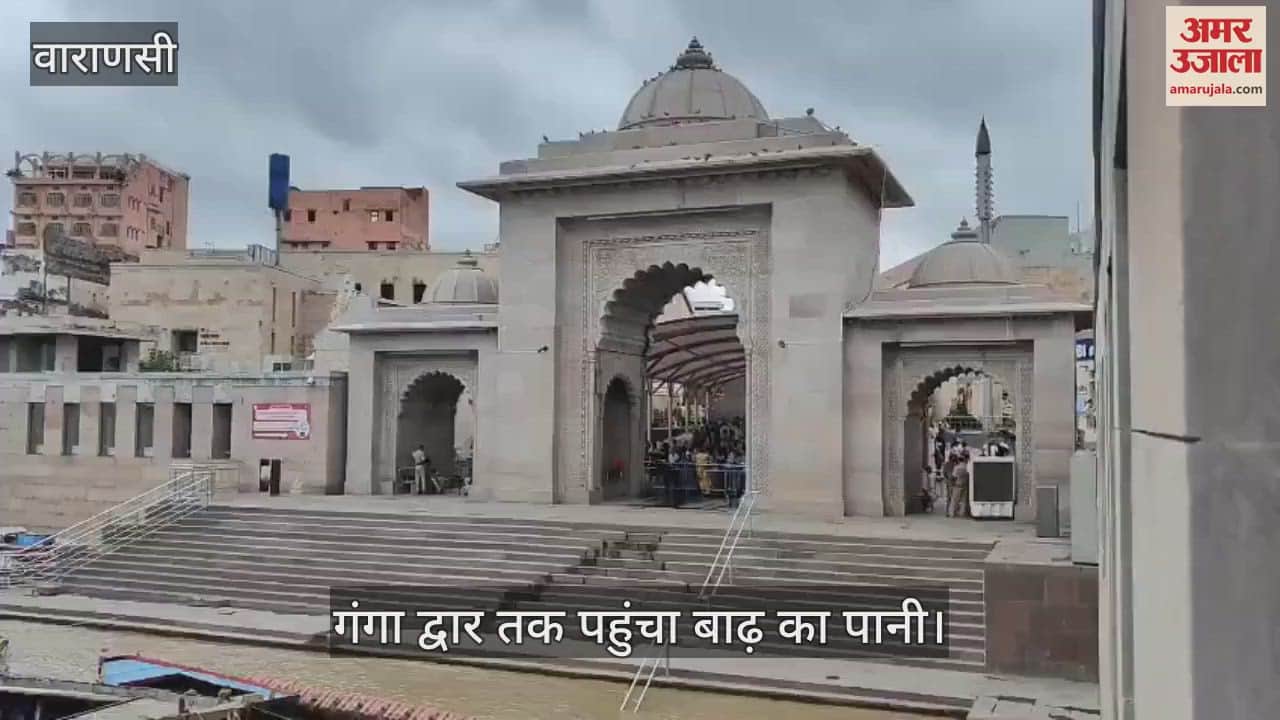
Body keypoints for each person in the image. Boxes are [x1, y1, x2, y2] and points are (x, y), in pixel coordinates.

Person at [948, 449, 970, 518]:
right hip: (965, 485)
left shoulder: (957, 467)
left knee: (954, 500)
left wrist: (952, 484)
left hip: (957, 485)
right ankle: (962, 513)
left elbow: (954, 477)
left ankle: (952, 513)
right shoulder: (967, 467)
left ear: (959, 460)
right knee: (963, 501)